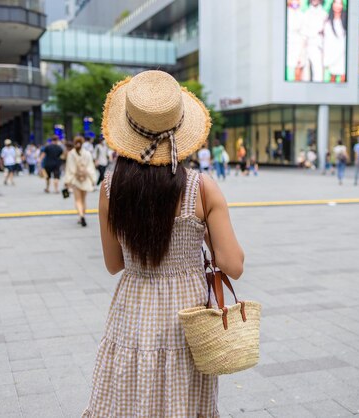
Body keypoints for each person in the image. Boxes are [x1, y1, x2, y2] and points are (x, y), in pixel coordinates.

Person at [84, 70, 244, 417]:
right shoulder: (201, 189)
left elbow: (114, 264)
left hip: (134, 310)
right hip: (188, 317)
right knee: (182, 401)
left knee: (133, 398)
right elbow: (233, 265)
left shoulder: (110, 188)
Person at [64, 136, 96, 226]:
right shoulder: (87, 154)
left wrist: (67, 181)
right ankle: (83, 215)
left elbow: (69, 168)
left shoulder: (71, 154)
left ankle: (81, 216)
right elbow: (91, 167)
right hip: (85, 179)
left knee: (77, 200)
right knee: (84, 199)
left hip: (75, 180)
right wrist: (93, 179)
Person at [302, 0, 327, 82]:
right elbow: (304, 32)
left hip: (318, 48)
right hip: (306, 47)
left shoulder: (324, 14)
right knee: (305, 76)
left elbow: (324, 32)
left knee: (318, 75)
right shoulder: (306, 13)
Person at [323, 0, 348, 83]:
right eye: (335, 3)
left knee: (343, 78)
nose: (337, 5)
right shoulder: (327, 21)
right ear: (332, 4)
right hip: (332, 53)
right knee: (332, 78)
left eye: (339, 3)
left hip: (343, 54)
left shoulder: (346, 19)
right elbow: (326, 40)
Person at [286, 0, 305, 81]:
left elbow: (303, 32)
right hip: (288, 44)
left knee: (298, 68)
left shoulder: (301, 14)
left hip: (299, 44)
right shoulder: (286, 13)